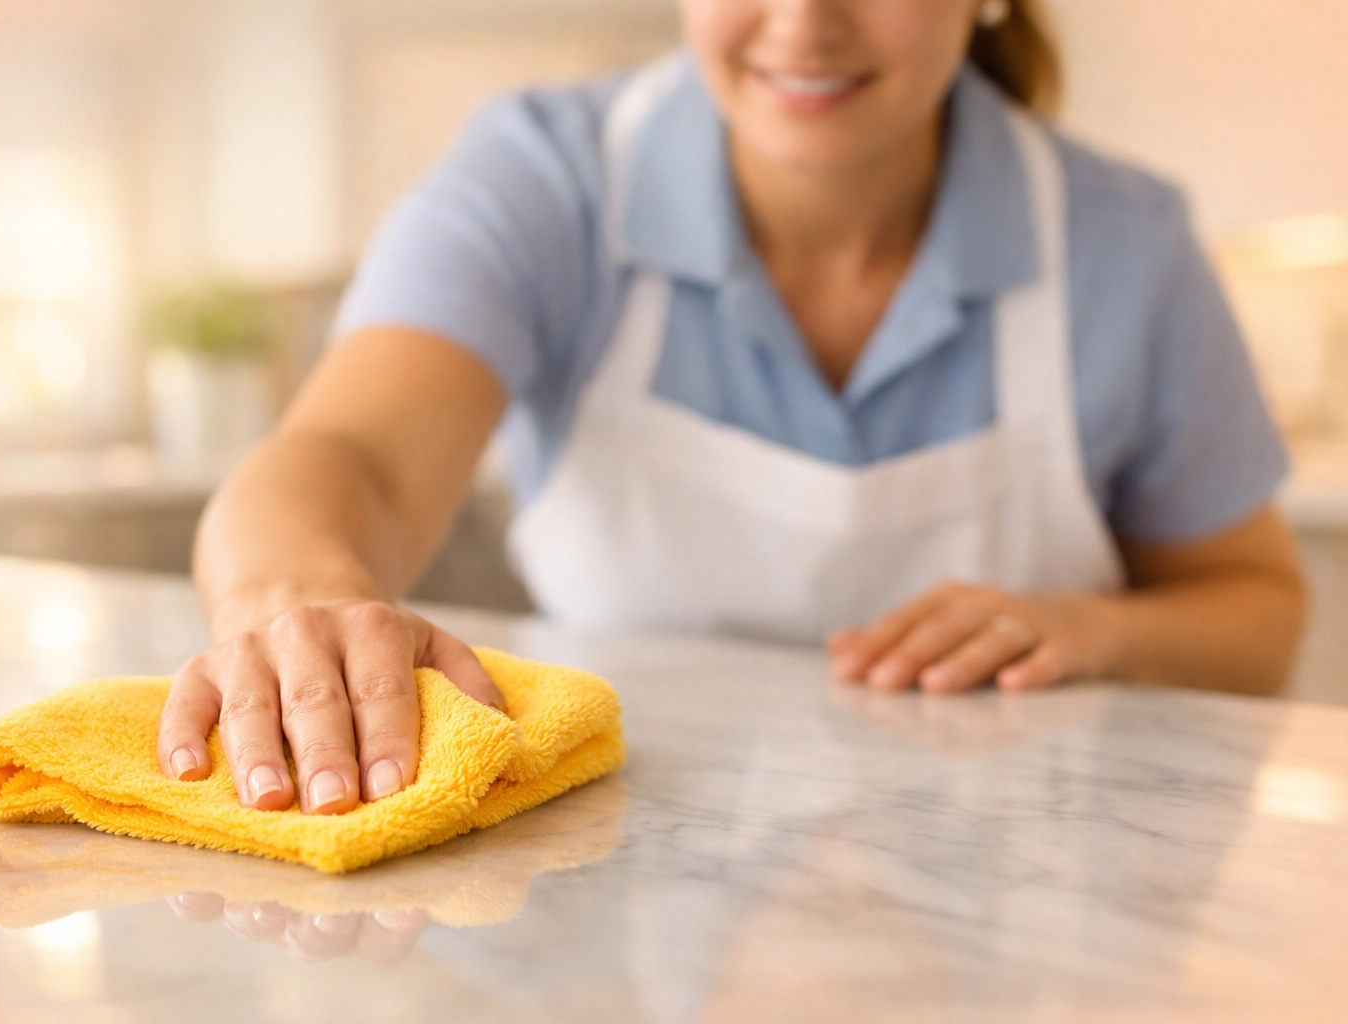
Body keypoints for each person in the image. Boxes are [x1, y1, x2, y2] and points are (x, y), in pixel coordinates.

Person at [157, 0, 1306, 815]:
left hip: (1048, 893)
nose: (803, 22)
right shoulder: (543, 179)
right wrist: (298, 609)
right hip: (598, 890)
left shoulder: (1124, 246)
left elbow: (1258, 612)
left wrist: (1097, 631)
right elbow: (347, 454)